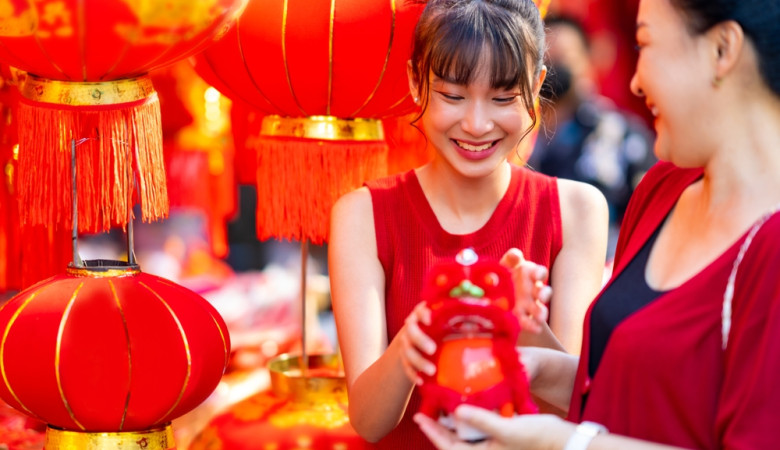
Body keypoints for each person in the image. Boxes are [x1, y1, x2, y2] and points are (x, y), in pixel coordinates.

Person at [413, 0, 780, 448]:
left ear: (723, 49)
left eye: (644, 43)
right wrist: (538, 369)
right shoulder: (662, 190)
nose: (635, 81)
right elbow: (630, 386)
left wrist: (564, 443)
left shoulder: (768, 242)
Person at [328, 0, 608, 447]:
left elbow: (575, 411)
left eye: (502, 98)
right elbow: (367, 421)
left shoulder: (576, 209)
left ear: (536, 85)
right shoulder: (361, 214)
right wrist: (411, 341)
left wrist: (528, 322)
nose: (477, 124)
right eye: (453, 96)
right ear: (416, 83)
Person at [529, 15, 656, 259]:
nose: (555, 69)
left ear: (588, 61)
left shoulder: (622, 134)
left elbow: (649, 220)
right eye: (547, 60)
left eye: (565, 58)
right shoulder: (519, 135)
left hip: (603, 272)